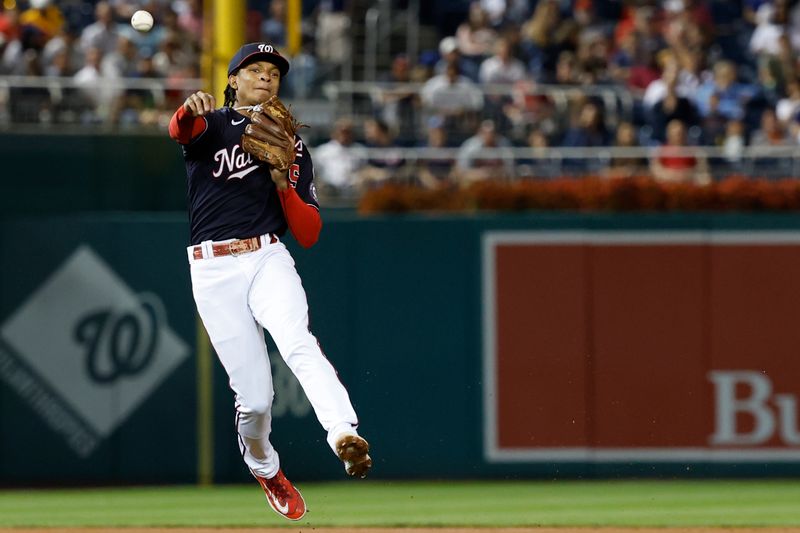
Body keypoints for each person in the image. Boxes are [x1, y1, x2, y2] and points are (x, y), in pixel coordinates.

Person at [168, 43, 372, 522]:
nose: (265, 77)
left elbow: (309, 232)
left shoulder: (291, 143)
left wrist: (283, 182)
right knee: (256, 398)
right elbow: (182, 131)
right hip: (213, 268)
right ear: (233, 79)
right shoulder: (212, 124)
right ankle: (265, 467)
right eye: (253, 70)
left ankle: (344, 434)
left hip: (265, 256)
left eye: (272, 73)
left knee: (298, 341)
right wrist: (185, 109)